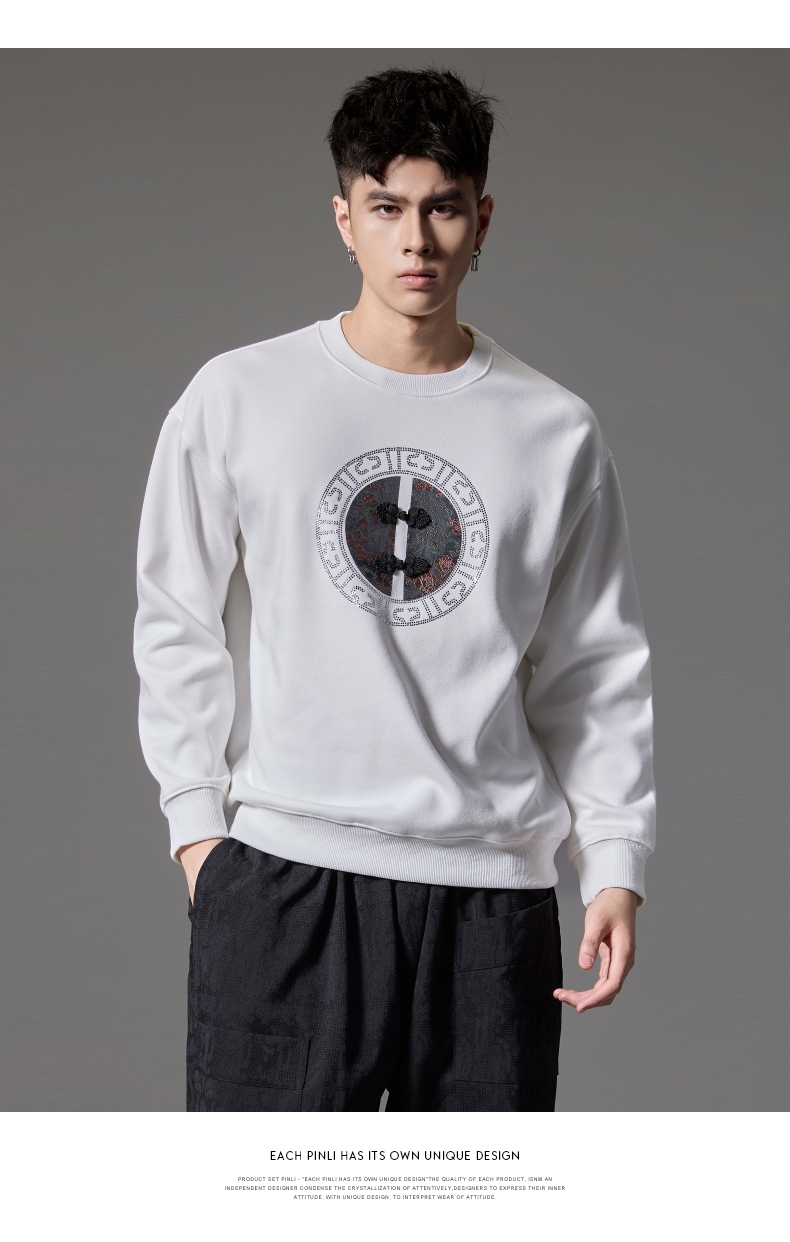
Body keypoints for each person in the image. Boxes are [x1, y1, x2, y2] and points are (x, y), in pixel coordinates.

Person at [134, 67, 655, 1112]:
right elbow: (176, 620)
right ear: (344, 219)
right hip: (284, 880)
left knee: (475, 1196)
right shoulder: (241, 396)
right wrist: (199, 835)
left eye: (442, 208)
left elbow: (594, 667)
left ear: (482, 219)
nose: (415, 240)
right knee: (259, 1195)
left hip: (490, 900)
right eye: (385, 208)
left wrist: (612, 861)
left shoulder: (554, 431)